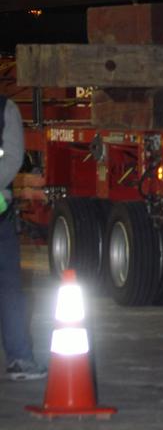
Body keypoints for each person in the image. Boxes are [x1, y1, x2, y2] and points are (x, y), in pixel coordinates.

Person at [0, 93, 47, 381]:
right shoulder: (5, 108)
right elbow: (13, 157)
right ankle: (19, 358)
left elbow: (13, 158)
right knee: (10, 290)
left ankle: (20, 356)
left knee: (11, 290)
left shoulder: (5, 108)